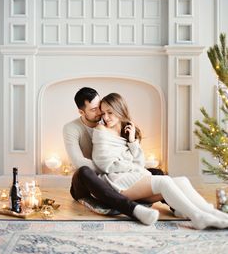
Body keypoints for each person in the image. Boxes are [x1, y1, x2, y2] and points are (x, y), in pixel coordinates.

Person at [92, 92, 228, 230]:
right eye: (103, 113)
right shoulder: (101, 130)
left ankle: (212, 212)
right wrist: (131, 164)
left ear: (120, 110)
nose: (106, 117)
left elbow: (139, 162)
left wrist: (132, 141)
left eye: (110, 112)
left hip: (133, 176)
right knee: (164, 181)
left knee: (182, 181)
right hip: (117, 182)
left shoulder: (126, 132)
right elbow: (104, 164)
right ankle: (198, 217)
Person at [63, 87, 164, 225]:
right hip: (88, 181)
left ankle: (174, 204)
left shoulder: (109, 122)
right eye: (93, 110)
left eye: (100, 107)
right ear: (82, 112)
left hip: (113, 176)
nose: (100, 113)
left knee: (156, 172)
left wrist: (124, 167)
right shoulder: (71, 128)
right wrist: (110, 172)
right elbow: (78, 161)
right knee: (84, 171)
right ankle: (132, 208)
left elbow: (129, 156)